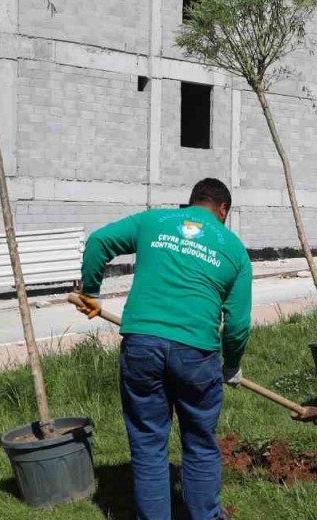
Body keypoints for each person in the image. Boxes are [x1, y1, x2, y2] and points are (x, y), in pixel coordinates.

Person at [76, 178, 252, 520]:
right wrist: (231, 365)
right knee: (200, 441)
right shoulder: (233, 249)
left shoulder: (153, 221)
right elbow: (237, 324)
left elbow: (98, 242)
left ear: (191, 202)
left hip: (142, 343)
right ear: (223, 209)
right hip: (196, 353)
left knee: (148, 443)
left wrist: (90, 291)